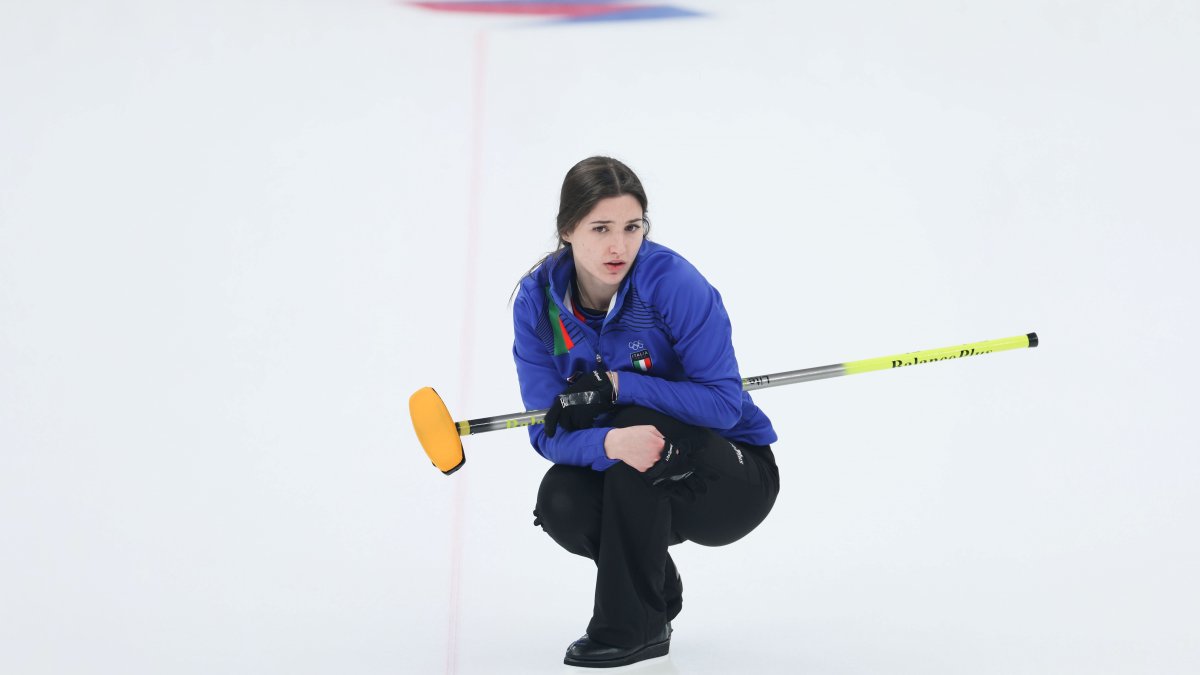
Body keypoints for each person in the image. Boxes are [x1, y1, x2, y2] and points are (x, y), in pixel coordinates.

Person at [511, 156, 780, 668]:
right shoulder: (536, 304)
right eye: (601, 228)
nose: (619, 246)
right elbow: (547, 431)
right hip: (638, 465)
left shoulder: (672, 283)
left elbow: (724, 406)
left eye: (632, 227)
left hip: (730, 477)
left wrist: (618, 385)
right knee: (562, 500)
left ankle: (629, 627)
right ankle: (650, 593)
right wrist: (607, 442)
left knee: (637, 425)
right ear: (568, 230)